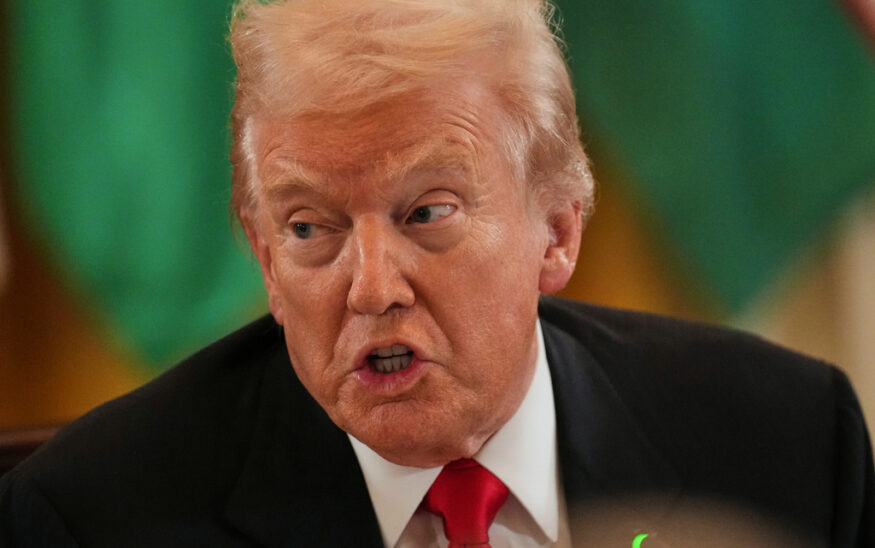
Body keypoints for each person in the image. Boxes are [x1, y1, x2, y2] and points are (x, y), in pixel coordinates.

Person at [1, 0, 872, 546]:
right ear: (263, 258)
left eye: (427, 213)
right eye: (310, 229)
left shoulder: (788, 445)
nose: (372, 286)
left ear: (558, 228)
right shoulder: (92, 519)